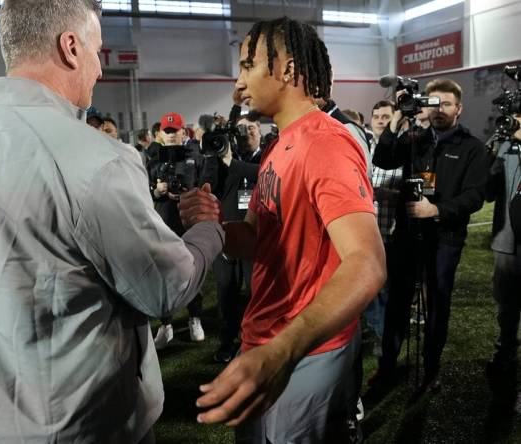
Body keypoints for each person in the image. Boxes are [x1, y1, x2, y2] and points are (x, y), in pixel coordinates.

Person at [0, 1, 224, 442]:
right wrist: (207, 229)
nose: (99, 70)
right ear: (71, 47)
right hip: (76, 424)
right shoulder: (97, 159)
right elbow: (164, 287)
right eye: (98, 52)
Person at [184, 17, 385, 442]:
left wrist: (282, 351)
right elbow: (257, 239)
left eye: (247, 66)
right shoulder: (280, 143)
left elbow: (367, 264)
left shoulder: (326, 143)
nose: (238, 84)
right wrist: (215, 224)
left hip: (302, 352)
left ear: (289, 70)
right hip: (265, 340)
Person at [372, 78, 490, 392]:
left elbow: (474, 196)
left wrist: (435, 211)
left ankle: (431, 368)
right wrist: (397, 117)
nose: (439, 110)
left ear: (459, 108)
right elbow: (381, 159)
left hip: (445, 239)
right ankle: (387, 368)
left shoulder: (473, 148)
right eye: (434, 103)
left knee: (438, 304)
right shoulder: (415, 138)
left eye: (447, 104)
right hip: (408, 234)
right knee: (397, 302)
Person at [147, 111, 207, 348]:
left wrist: (190, 193)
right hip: (164, 220)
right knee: (164, 272)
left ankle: (195, 318)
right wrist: (157, 191)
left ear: (184, 132)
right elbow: (144, 189)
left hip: (189, 220)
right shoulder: (152, 158)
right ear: (161, 133)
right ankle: (166, 323)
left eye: (175, 131)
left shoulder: (195, 156)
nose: (171, 135)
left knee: (192, 269)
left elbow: (205, 183)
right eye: (167, 131)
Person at [210, 111, 262, 363]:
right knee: (227, 292)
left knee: (257, 291)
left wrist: (233, 162)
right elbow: (208, 185)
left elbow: (262, 173)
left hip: (259, 237)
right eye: (240, 130)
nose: (247, 133)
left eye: (251, 128)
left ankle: (255, 340)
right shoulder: (223, 158)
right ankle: (227, 342)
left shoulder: (269, 155)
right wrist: (217, 153)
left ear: (261, 131)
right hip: (228, 234)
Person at [485, 113, 521, 400]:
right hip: (507, 240)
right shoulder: (504, 147)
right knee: (506, 306)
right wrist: (493, 153)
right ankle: (505, 353)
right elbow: (486, 192)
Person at [365, 100, 402, 346]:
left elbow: (418, 191)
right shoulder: (364, 148)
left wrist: (390, 194)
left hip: (391, 233)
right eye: (376, 116)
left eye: (385, 117)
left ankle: (386, 338)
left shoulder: (403, 150)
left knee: (387, 290)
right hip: (367, 233)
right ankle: (376, 328)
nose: (380, 120)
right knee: (367, 288)